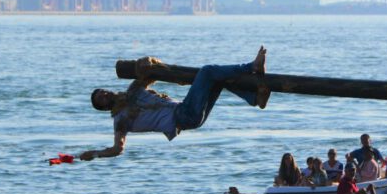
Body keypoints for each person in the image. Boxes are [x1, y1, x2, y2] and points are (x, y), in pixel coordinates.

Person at [79, 47, 271, 161]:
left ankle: (254, 99)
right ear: (104, 107)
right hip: (182, 116)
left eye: (102, 91)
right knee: (207, 72)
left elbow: (152, 72)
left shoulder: (133, 91)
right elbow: (117, 148)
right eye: (101, 99)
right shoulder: (120, 119)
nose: (104, 94)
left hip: (188, 115)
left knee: (217, 78)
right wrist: (95, 154)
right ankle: (252, 66)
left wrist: (147, 60)